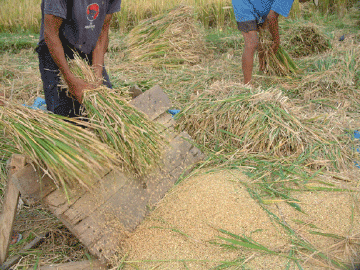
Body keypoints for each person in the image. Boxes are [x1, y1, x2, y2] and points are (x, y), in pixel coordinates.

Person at [36, 0, 121, 117]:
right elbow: (51, 34)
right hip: (56, 47)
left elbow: (102, 32)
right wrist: (71, 81)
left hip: (87, 47)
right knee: (67, 120)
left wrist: (97, 74)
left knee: (110, 112)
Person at [232, 0, 310, 85]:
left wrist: (271, 36)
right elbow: (272, 17)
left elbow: (269, 19)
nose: (307, 2)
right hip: (243, 3)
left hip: (259, 5)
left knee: (265, 39)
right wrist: (276, 41)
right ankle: (247, 85)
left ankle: (263, 70)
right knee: (252, 42)